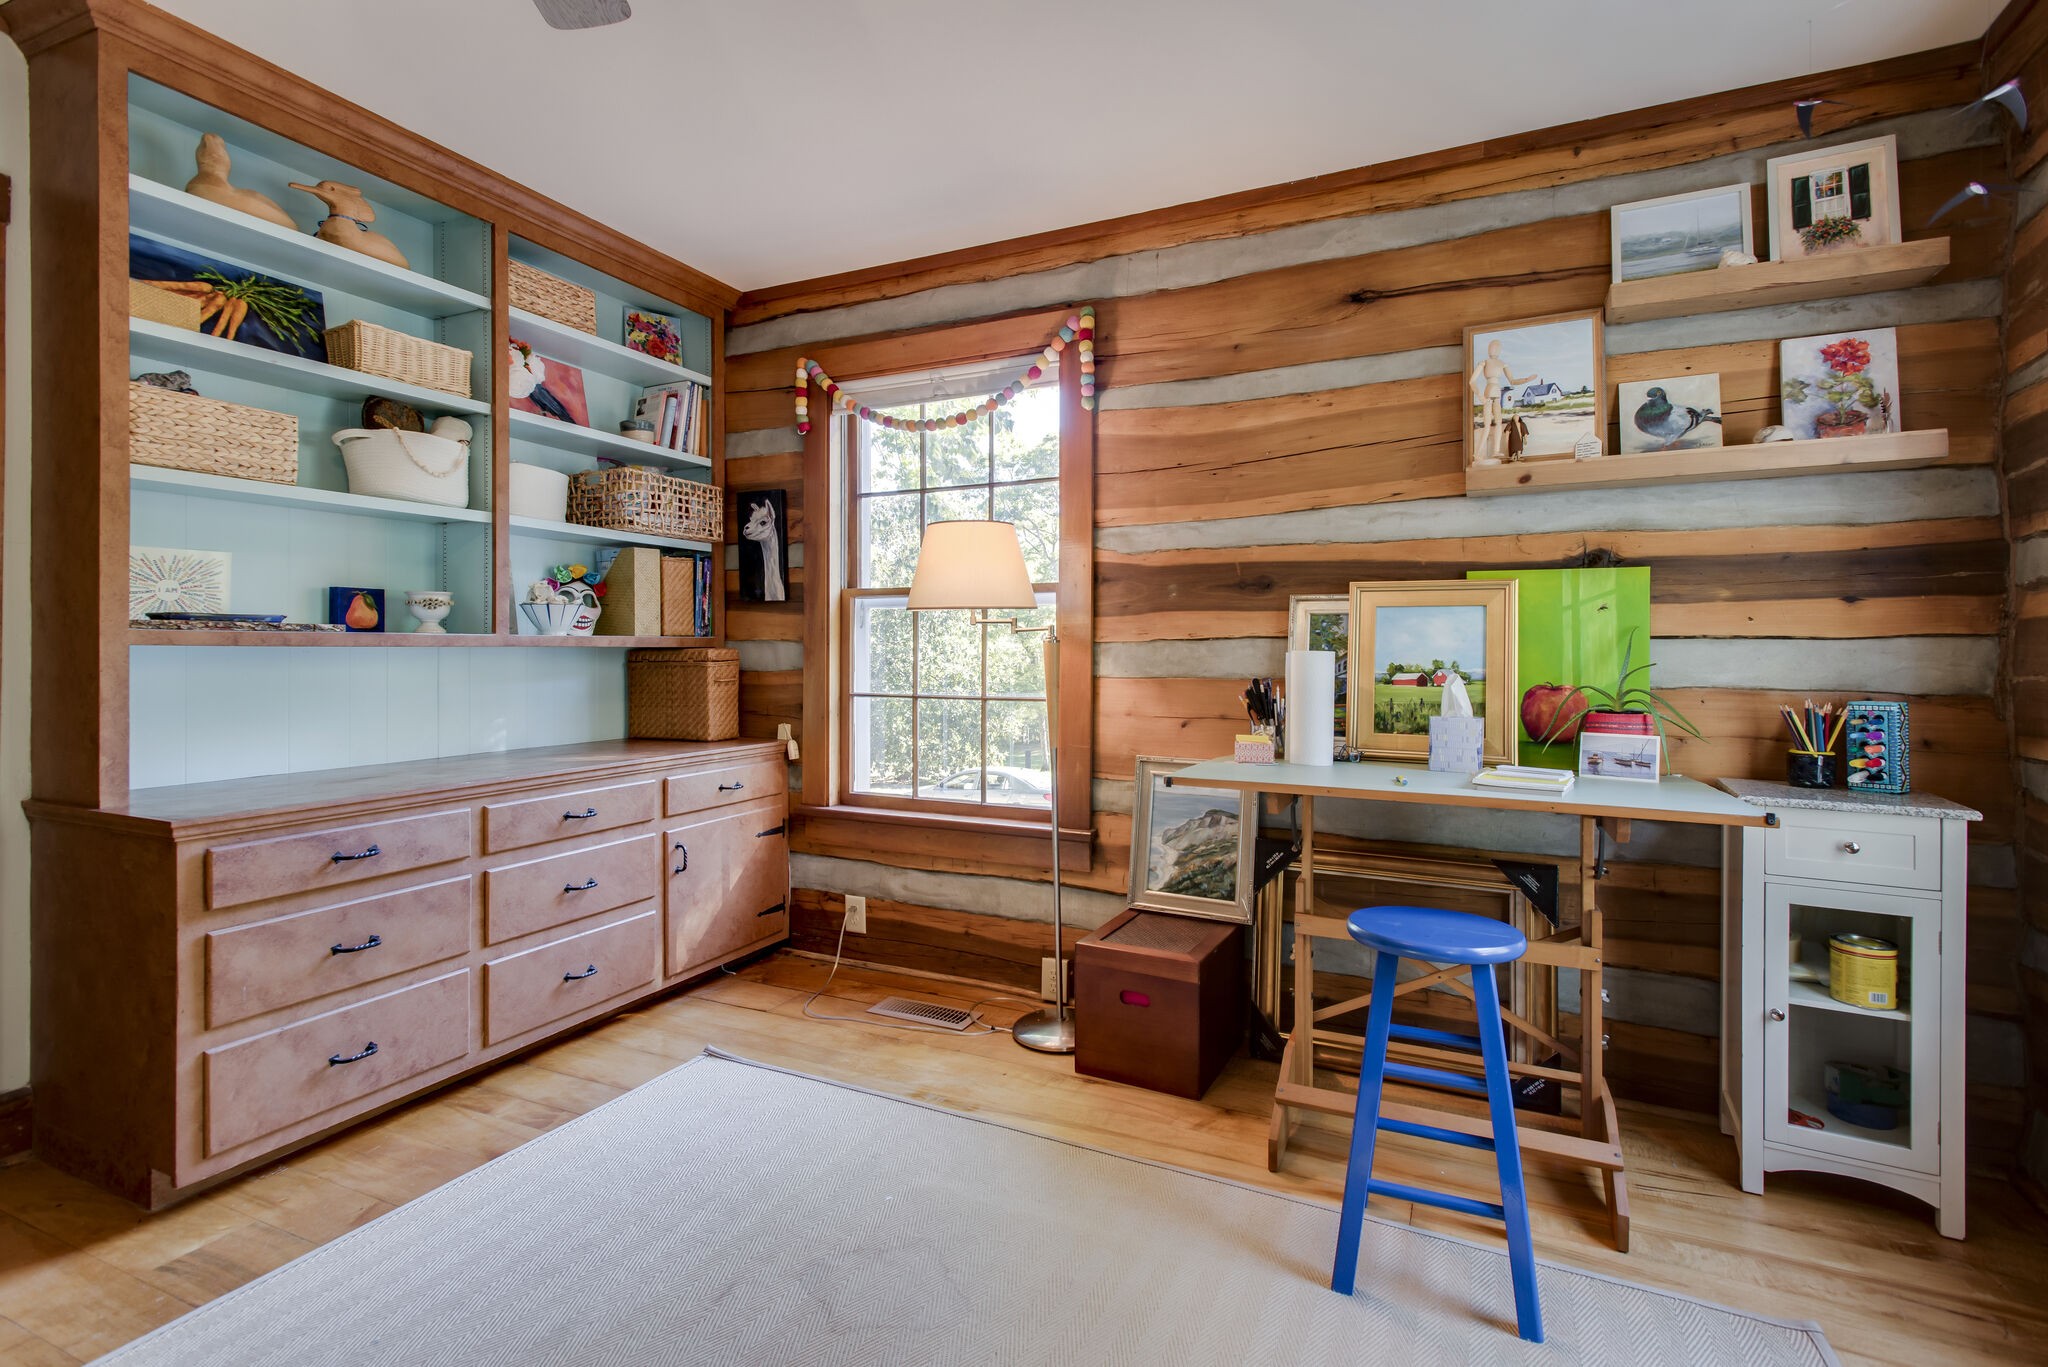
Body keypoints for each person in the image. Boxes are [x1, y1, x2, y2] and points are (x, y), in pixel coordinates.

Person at [1469, 339, 1535, 465]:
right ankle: (1478, 453)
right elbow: (1472, 381)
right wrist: (1479, 395)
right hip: (1488, 394)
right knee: (1487, 425)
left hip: (1497, 395)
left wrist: (1526, 379)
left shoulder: (1502, 364)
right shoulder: (1484, 362)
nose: (1493, 349)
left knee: (1499, 423)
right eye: (1491, 347)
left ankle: (1496, 450)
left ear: (1499, 350)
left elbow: (1512, 381)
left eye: (1496, 347)